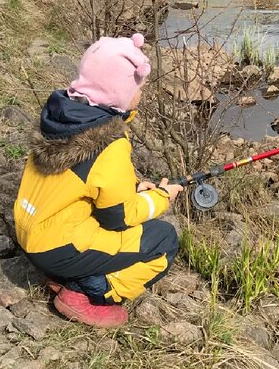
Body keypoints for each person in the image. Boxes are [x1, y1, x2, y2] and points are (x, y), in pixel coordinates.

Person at [14, 33, 182, 328]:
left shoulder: (61, 116)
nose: (141, 94)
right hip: (59, 248)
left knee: (120, 222)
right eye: (138, 88)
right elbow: (119, 217)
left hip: (31, 235)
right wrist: (161, 198)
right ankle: (87, 291)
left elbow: (83, 181)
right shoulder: (109, 143)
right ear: (120, 93)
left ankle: (66, 274)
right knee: (163, 239)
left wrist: (133, 188)